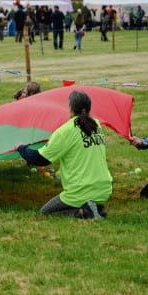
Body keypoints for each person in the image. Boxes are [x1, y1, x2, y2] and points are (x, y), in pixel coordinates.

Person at [16, 90, 113, 219]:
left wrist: (21, 148)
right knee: (79, 201)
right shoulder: (96, 125)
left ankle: (84, 213)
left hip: (81, 191)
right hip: (104, 188)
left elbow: (40, 159)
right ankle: (97, 208)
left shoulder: (65, 131)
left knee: (46, 212)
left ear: (71, 108)